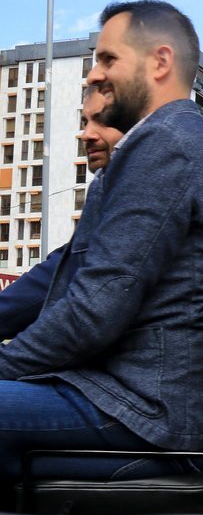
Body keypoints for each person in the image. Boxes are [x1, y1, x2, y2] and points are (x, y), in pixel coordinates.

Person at [0, 0, 203, 481]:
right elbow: (65, 268)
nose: (95, 75)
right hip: (127, 391)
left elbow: (95, 308)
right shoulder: (157, 144)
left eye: (108, 59)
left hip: (148, 406)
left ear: (160, 62)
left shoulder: (166, 144)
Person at [0, 86, 124, 342]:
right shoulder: (107, 181)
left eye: (104, 122)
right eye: (85, 122)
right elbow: (65, 268)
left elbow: (76, 279)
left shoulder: (138, 184)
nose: (87, 134)